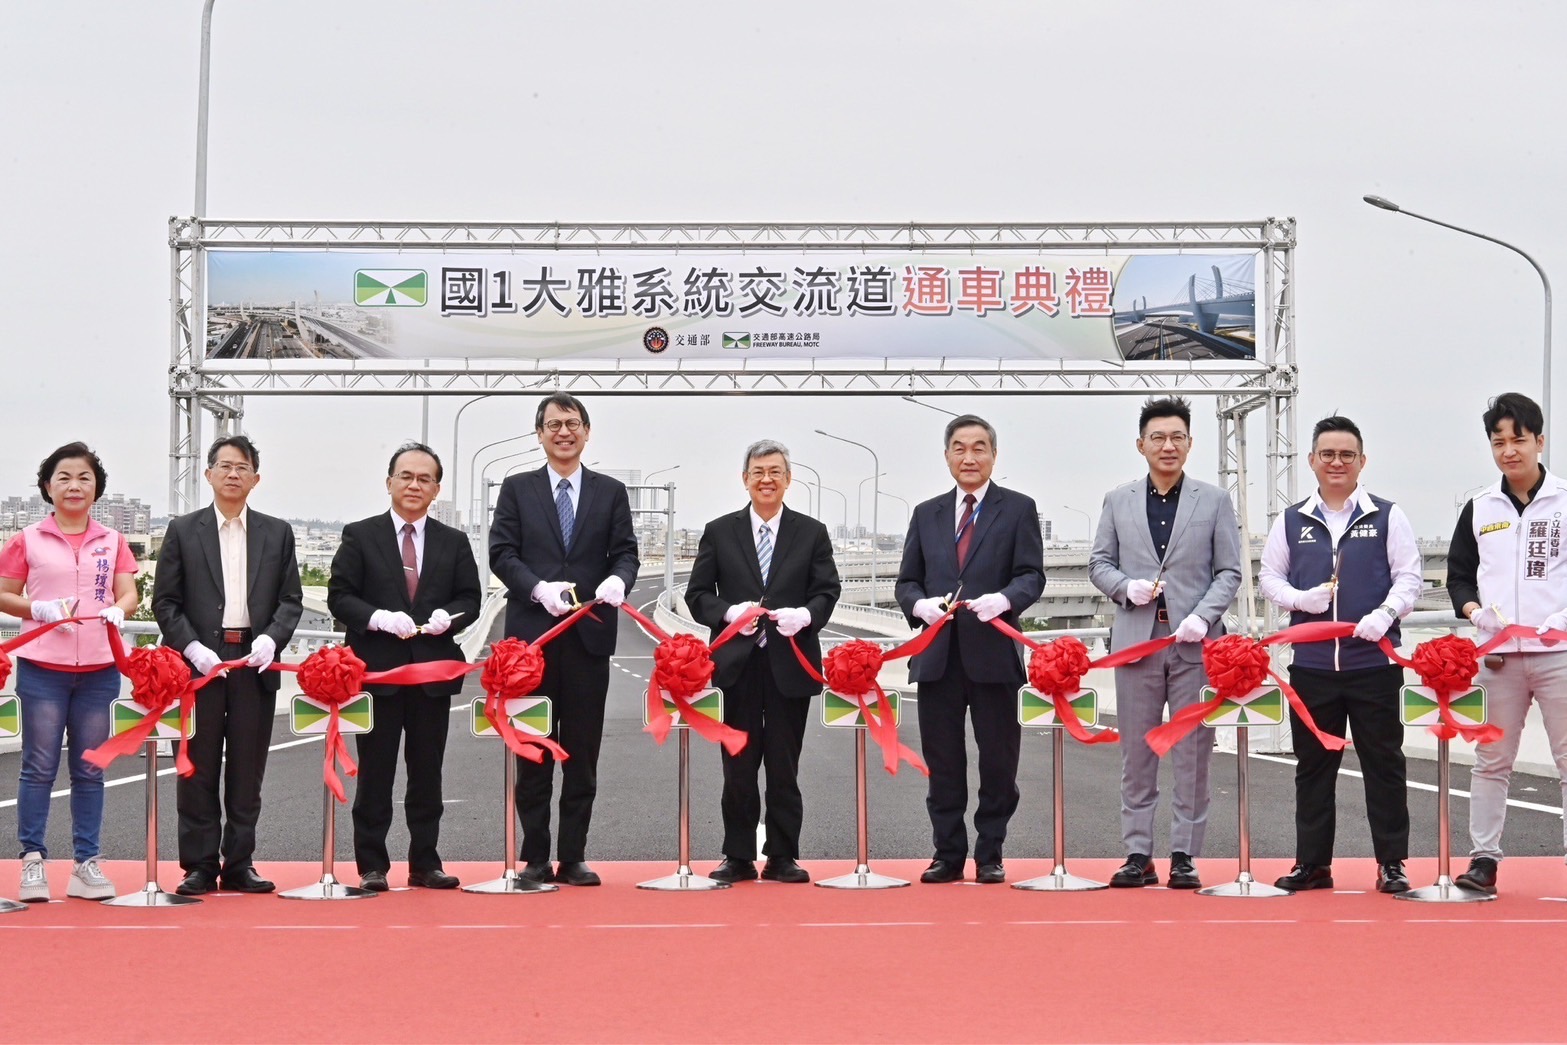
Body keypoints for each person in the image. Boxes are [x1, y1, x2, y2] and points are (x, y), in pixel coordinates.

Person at [1259, 416, 1421, 894]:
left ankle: (1392, 863)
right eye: (1327, 454)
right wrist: (1299, 599)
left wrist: (1386, 613)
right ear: (1312, 460)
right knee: (1312, 767)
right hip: (1312, 668)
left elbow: (1409, 577)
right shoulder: (1292, 520)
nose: (1336, 462)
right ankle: (1312, 864)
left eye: (1346, 454)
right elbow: (1269, 577)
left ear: (1361, 461)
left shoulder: (1387, 515)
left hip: (1374, 666)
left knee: (1384, 764)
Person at [1088, 396, 1242, 890]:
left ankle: (1184, 855)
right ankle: (1138, 853)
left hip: (1194, 643)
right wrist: (1123, 587)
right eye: (1158, 437)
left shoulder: (1213, 500)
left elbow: (1229, 571)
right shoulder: (1118, 500)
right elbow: (1098, 563)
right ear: (1141, 445)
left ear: (1190, 443)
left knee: (1193, 753)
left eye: (1177, 437)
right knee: (1137, 753)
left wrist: (1202, 615)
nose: (1168, 445)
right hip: (1137, 643)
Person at [489, 393, 639, 886]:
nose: (563, 432)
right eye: (553, 425)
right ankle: (535, 856)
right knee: (533, 751)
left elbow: (626, 554)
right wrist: (538, 588)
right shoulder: (517, 488)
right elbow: (501, 553)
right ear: (539, 434)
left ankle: (573, 855)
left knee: (581, 753)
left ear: (587, 432)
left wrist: (619, 580)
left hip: (588, 642)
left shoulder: (610, 492)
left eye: (572, 423)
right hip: (531, 647)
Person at [895, 414, 1045, 884]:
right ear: (947, 456)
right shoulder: (927, 513)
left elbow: (1031, 575)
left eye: (979, 447)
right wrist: (919, 605)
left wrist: (1005, 600)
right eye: (959, 448)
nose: (969, 457)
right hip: (937, 657)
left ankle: (990, 853)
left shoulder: (1018, 508)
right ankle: (947, 854)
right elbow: (907, 581)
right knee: (944, 763)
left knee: (999, 761)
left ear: (994, 455)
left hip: (994, 655)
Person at [153, 435, 303, 896]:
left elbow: (290, 600)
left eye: (243, 467)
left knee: (246, 767)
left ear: (256, 478)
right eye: (225, 466)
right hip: (200, 665)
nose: (233, 473)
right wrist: (192, 648)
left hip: (253, 663)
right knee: (196, 767)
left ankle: (239, 862)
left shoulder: (277, 533)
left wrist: (271, 639)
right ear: (208, 474)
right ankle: (199, 865)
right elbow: (166, 601)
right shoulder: (183, 530)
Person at [686, 439, 841, 884]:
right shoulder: (720, 531)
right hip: (736, 665)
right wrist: (728, 614)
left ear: (788, 479)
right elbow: (698, 595)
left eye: (775, 472)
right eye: (758, 472)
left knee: (783, 765)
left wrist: (805, 616)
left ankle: (782, 855)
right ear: (745, 479)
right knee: (738, 765)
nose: (766, 479)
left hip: (791, 662)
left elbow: (827, 590)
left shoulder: (812, 532)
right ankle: (737, 855)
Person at [329, 442, 482, 892]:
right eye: (407, 476)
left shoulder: (453, 542)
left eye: (425, 479)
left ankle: (425, 862)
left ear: (436, 489)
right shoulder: (361, 535)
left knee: (427, 773)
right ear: (390, 482)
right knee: (375, 773)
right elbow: (340, 596)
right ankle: (371, 865)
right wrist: (378, 617)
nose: (415, 485)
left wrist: (449, 618)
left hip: (432, 676)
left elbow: (470, 599)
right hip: (378, 674)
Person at [0, 442, 139, 902]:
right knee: (39, 766)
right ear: (47, 486)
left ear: (97, 488)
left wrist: (120, 609)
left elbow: (128, 593)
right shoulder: (27, 539)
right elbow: (4, 593)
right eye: (64, 477)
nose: (74, 485)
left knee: (90, 768)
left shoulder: (112, 540)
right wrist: (37, 608)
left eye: (84, 477)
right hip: (43, 668)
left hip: (99, 668)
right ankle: (32, 860)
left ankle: (86, 862)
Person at [1446, 392, 1567, 895]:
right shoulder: (1479, 507)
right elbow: (1458, 576)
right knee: (1492, 761)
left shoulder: (1564, 501)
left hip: (1559, 655)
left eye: (1519, 439)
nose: (1509, 450)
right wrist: (1475, 612)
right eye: (1499, 442)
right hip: (1498, 659)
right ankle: (1484, 862)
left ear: (1540, 441)